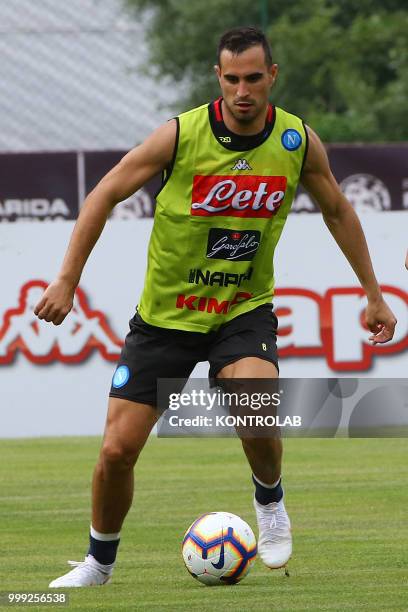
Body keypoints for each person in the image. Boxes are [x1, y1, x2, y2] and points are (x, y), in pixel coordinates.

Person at [34, 26, 397, 587]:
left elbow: (339, 212)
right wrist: (66, 280)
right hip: (165, 320)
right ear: (218, 78)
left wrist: (373, 295)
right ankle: (97, 566)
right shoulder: (179, 137)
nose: (243, 90)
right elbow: (103, 194)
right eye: (232, 79)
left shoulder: (297, 142)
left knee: (254, 411)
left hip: (241, 310)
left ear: (272, 76)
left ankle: (270, 503)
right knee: (115, 451)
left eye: (254, 78)